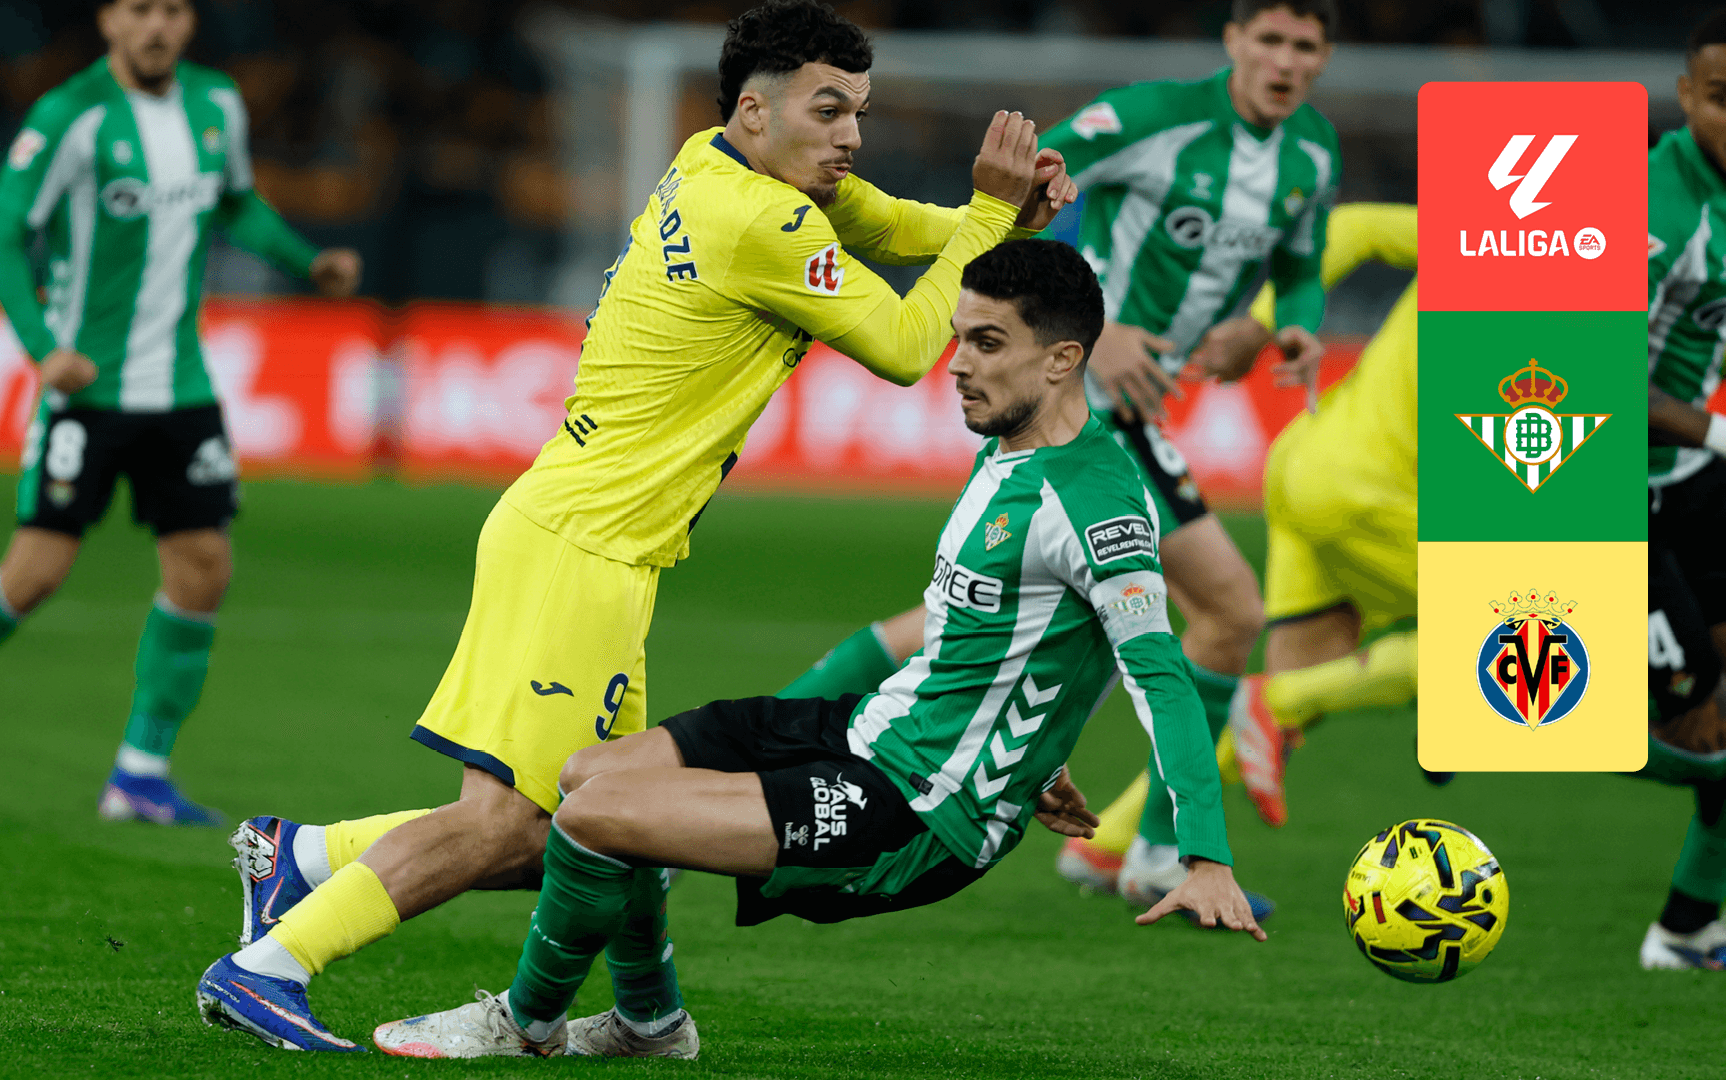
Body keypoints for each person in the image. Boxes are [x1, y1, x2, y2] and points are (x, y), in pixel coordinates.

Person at [193, 0, 1080, 1052]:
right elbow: (899, 344)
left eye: (860, 112)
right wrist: (987, 218)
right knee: (512, 824)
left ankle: (334, 873)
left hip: (597, 539)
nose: (851, 135)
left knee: (615, 814)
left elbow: (891, 225)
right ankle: (269, 967)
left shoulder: (715, 162)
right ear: (757, 111)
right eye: (828, 110)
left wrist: (1003, 219)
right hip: (582, 543)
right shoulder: (761, 222)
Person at [369, 238, 1265, 1060]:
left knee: (596, 819)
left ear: (1063, 359)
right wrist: (1032, 757)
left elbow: (1160, 676)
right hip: (871, 730)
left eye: (988, 343)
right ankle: (649, 1023)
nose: (957, 364)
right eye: (959, 338)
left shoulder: (1098, 505)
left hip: (919, 810)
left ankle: (525, 1025)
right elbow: (1008, 635)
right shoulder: (1012, 450)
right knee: (587, 775)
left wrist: (1205, 854)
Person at [780, 0, 1342, 909]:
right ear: (1234, 40)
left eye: (1304, 46)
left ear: (1324, 57)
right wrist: (1091, 327)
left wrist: (1291, 327)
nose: (1285, 61)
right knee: (1231, 608)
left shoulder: (1313, 152)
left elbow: (1303, 263)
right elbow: (1035, 189)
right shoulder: (1155, 117)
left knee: (967, 617)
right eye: (1269, 39)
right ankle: (1155, 852)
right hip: (1080, 398)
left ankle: (780, 737)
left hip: (1145, 408)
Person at [0, 0, 360, 825]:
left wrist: (307, 260)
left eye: (172, 10)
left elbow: (235, 203)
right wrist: (45, 348)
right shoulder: (70, 116)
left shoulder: (216, 104)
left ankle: (139, 773)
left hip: (181, 387)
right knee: (34, 574)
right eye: (140, 10)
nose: (157, 27)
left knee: (203, 568)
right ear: (109, 20)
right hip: (87, 389)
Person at [1057, 202, 1418, 892]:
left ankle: (1121, 840)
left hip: (1312, 456)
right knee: (1522, 630)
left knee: (1283, 668)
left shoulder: (1501, 235)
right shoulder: (1594, 277)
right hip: (1383, 492)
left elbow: (1354, 226)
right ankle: (1277, 704)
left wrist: (1263, 322)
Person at [1630, 9, 1726, 970]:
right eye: (1723, 98)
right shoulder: (1652, 205)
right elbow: (1587, 373)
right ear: (1686, 95)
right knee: (1692, 719)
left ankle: (1689, 928)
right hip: (1605, 486)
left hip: (1694, 477)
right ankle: (1478, 719)